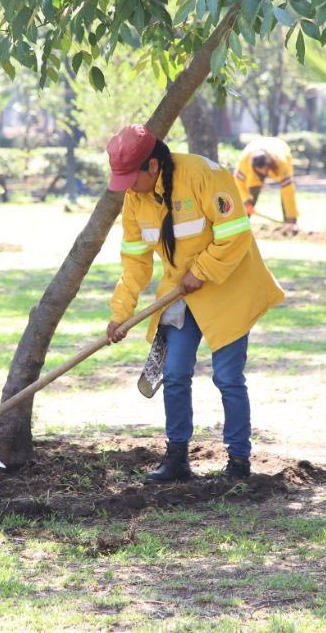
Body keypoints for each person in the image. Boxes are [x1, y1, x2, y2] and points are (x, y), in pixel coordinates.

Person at [105, 124, 285, 483]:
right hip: (181, 292)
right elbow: (135, 263)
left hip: (228, 287)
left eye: (130, 177)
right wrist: (120, 314)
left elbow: (235, 233)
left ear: (152, 166)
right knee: (173, 374)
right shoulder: (135, 199)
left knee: (228, 377)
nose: (127, 187)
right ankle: (177, 460)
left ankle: (237, 462)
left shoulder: (204, 174)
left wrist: (202, 270)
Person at [234, 136, 299, 234]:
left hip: (279, 148)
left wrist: (291, 217)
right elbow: (238, 182)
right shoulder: (244, 162)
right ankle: (241, 225)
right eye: (261, 171)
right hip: (254, 149)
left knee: (286, 192)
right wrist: (246, 201)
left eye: (265, 170)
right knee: (251, 192)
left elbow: (288, 192)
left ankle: (289, 224)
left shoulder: (282, 163)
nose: (264, 174)